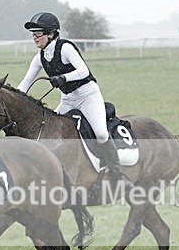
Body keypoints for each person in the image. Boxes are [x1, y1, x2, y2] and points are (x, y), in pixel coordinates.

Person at [16, 12, 125, 186]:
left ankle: (117, 174)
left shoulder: (65, 48)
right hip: (68, 99)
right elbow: (24, 84)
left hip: (88, 95)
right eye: (33, 34)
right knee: (48, 132)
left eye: (38, 33)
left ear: (51, 34)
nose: (34, 38)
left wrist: (63, 78)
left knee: (101, 133)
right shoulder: (39, 58)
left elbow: (83, 71)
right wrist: (9, 96)